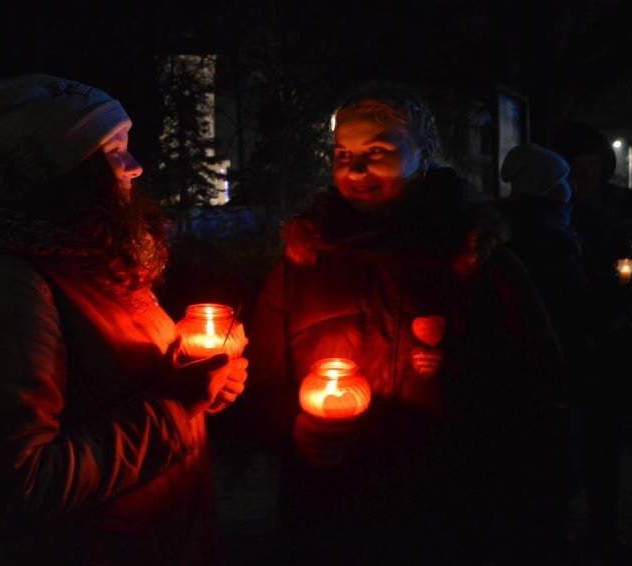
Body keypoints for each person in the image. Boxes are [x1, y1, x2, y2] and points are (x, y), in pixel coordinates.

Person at [236, 81, 567, 565]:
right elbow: (261, 378)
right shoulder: (304, 263)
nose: (355, 168)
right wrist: (293, 428)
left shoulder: (477, 260)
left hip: (448, 511)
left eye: (378, 151)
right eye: (342, 153)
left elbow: (536, 383)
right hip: (331, 510)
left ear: (424, 153)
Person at [0, 73, 248, 565]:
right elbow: (13, 494)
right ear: (67, 171)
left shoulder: (96, 267)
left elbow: (121, 388)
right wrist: (175, 407)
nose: (135, 166)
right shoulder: (8, 288)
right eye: (114, 149)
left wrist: (200, 378)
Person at [554, 121, 632, 563]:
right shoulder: (549, 201)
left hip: (611, 337)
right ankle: (555, 523)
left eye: (592, 164)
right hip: (564, 337)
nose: (582, 173)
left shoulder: (620, 201)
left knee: (605, 442)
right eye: (573, 164)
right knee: (559, 441)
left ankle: (603, 530)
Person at [495, 143, 602, 554]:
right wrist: (620, 296)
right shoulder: (551, 241)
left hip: (529, 377)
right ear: (550, 188)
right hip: (551, 372)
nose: (570, 188)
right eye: (563, 181)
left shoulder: (519, 230)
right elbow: (577, 309)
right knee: (547, 478)